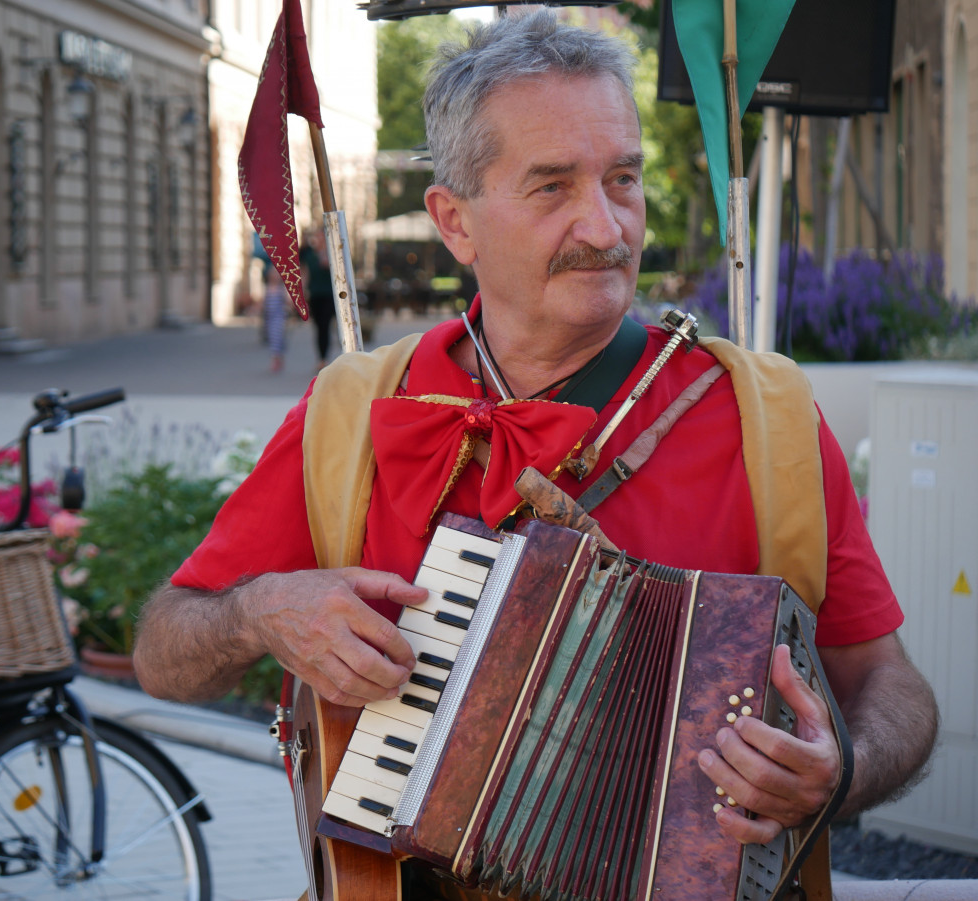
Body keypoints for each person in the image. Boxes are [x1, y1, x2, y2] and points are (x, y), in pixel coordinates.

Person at [135, 10, 937, 898]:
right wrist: (258, 612)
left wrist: (838, 771)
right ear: (455, 221)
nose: (605, 224)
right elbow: (164, 650)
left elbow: (892, 686)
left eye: (622, 179)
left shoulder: (767, 414)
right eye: (552, 187)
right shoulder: (352, 413)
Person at [300, 228, 336, 369]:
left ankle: (324, 358)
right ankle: (321, 357)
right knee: (318, 327)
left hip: (328, 294)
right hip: (315, 295)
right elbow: (304, 272)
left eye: (322, 237)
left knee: (326, 326)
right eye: (317, 237)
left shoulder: (332, 253)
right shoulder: (310, 255)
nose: (319, 240)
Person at [262, 261, 290, 373]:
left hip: (279, 318)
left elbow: (287, 302)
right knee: (272, 339)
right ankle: (277, 358)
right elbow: (263, 303)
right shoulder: (268, 288)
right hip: (269, 319)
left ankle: (276, 359)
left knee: (277, 339)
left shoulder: (281, 289)